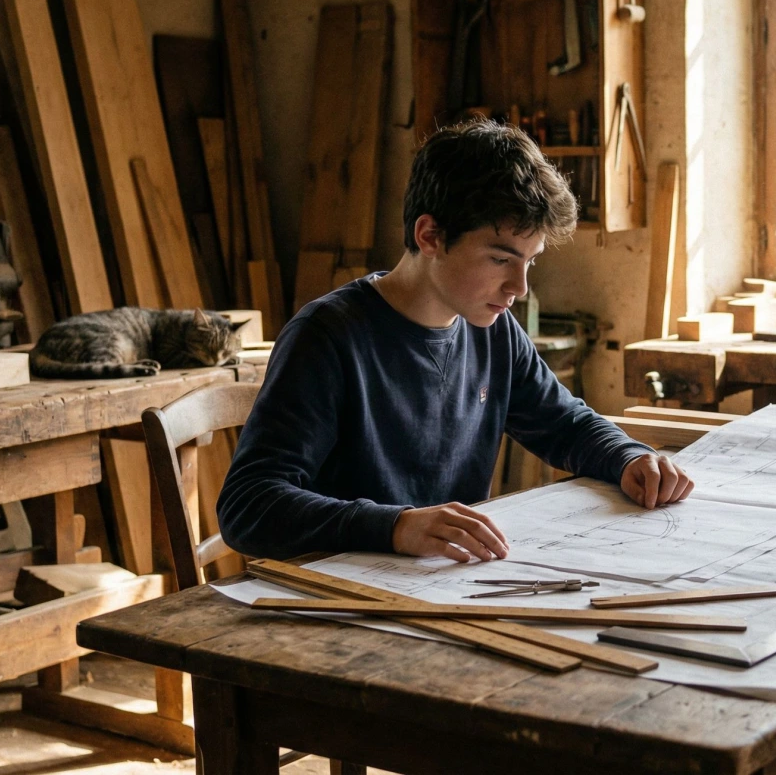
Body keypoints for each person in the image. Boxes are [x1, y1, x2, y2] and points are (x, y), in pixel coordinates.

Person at [216, 118, 693, 562]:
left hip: (443, 584)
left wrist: (629, 455)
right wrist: (394, 526)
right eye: (500, 259)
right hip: (337, 600)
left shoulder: (494, 330)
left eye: (531, 261)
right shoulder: (328, 337)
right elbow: (248, 506)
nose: (519, 287)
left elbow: (563, 424)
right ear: (430, 236)